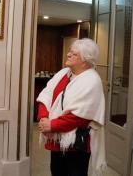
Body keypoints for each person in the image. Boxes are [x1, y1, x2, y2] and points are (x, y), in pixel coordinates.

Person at [37, 38, 106, 176]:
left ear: (85, 60)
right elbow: (46, 95)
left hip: (76, 145)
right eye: (69, 51)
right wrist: (44, 118)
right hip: (57, 140)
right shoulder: (64, 73)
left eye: (73, 54)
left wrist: (53, 125)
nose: (68, 54)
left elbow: (81, 116)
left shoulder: (92, 81)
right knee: (56, 171)